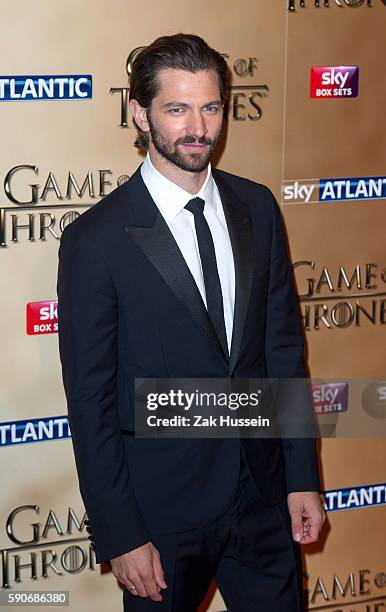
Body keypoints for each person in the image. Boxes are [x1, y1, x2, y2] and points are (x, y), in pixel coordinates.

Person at [57, 33, 325, 611]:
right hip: (162, 516)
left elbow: (282, 351)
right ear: (139, 113)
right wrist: (122, 533)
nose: (197, 127)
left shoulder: (257, 209)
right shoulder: (96, 241)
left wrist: (301, 475)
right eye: (176, 109)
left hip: (263, 498)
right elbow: (90, 399)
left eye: (210, 107)